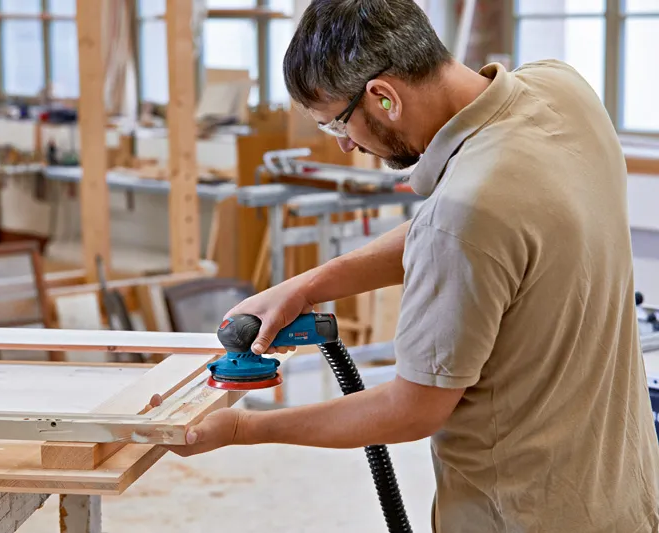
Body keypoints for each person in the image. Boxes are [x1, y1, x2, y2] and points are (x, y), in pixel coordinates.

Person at [156, 0, 659, 530]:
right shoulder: (562, 90)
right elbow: (472, 231)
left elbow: (412, 408)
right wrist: (310, 285)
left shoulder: (464, 214)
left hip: (524, 514)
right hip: (625, 491)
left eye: (338, 124)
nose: (345, 145)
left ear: (384, 96)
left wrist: (246, 429)